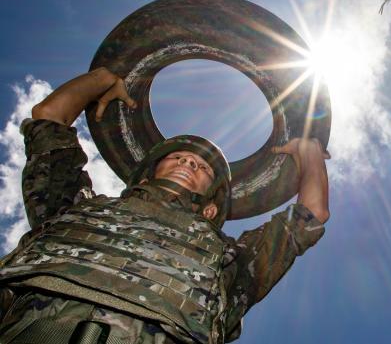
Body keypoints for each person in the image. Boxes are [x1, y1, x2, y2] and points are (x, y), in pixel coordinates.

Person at [0, 67, 330, 343]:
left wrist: (310, 150)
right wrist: (104, 77)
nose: (189, 161)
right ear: (143, 179)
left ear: (211, 209)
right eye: (178, 157)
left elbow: (309, 218)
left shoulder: (229, 259)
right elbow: (48, 119)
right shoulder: (76, 207)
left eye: (202, 167)